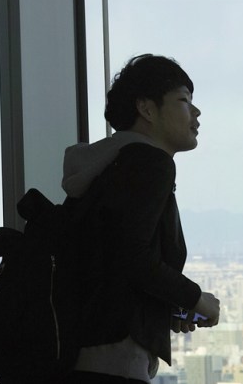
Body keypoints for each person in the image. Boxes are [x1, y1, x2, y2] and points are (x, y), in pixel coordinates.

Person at [61, 54, 220, 384]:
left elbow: (108, 264)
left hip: (83, 353)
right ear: (147, 109)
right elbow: (133, 257)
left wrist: (167, 307)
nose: (196, 112)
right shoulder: (151, 163)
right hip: (117, 359)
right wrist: (197, 300)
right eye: (184, 100)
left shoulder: (108, 168)